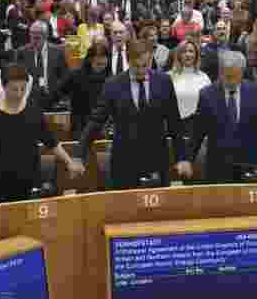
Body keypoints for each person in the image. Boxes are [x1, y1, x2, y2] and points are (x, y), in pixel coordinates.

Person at [71, 38, 191, 189]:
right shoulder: (113, 85)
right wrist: (79, 156)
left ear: (151, 59)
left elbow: (174, 122)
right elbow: (95, 122)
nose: (141, 71)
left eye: (145, 65)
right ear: (128, 60)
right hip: (124, 162)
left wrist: (182, 157)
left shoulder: (164, 81)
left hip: (157, 159)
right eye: (136, 66)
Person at [0, 64, 79, 204]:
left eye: (23, 89)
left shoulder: (33, 111)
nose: (19, 94)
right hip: (0, 187)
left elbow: (51, 142)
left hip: (31, 185)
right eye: (14, 89)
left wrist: (69, 162)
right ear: (3, 87)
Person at [190, 50, 257, 183]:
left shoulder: (256, 92)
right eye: (226, 76)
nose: (230, 82)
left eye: (234, 77)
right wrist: (187, 159)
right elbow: (198, 132)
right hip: (218, 167)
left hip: (249, 165)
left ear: (242, 72)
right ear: (220, 72)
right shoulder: (207, 94)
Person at [58, 38, 111, 138]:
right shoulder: (75, 75)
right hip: (79, 128)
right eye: (98, 64)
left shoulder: (110, 78)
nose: (101, 68)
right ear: (90, 60)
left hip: (101, 129)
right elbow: (57, 94)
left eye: (104, 64)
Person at [20, 20, 67, 109]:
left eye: (38, 36)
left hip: (52, 99)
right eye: (32, 34)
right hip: (29, 99)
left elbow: (64, 77)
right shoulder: (22, 52)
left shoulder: (57, 52)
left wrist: (59, 95)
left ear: (46, 36)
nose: (34, 38)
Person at [169, 39, 211, 125]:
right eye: (184, 51)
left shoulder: (204, 77)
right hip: (175, 125)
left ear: (196, 55)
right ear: (179, 55)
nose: (188, 54)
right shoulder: (168, 77)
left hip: (198, 126)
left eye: (191, 51)